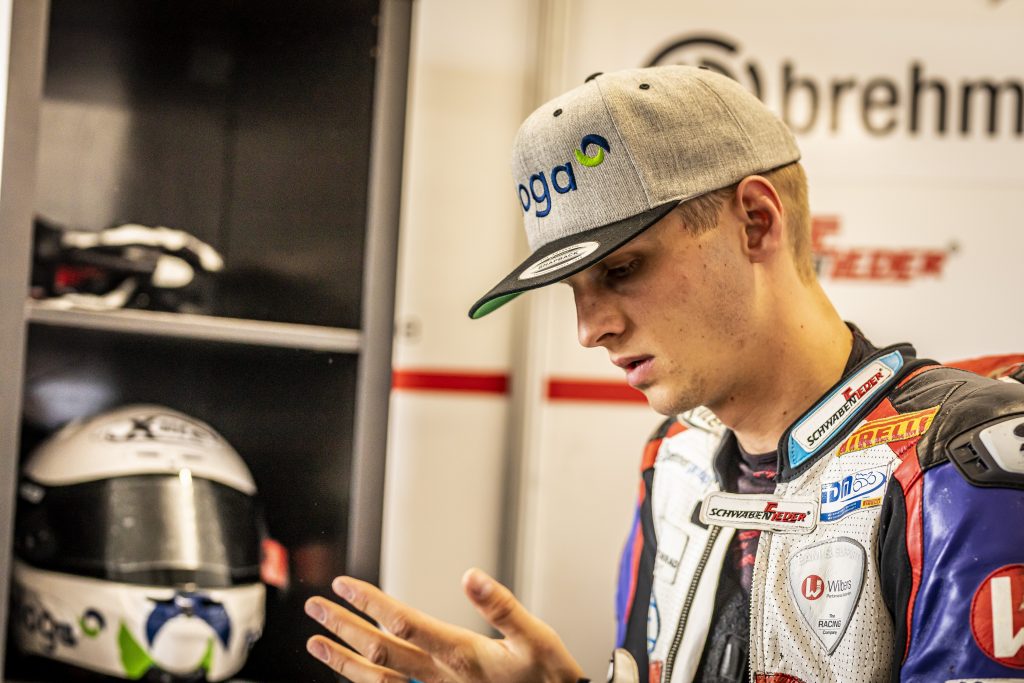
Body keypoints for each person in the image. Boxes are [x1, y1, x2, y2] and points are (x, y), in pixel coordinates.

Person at [302, 65, 1024, 682]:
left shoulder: (959, 466)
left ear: (755, 222)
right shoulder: (676, 458)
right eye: (573, 290)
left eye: (621, 270)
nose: (590, 329)